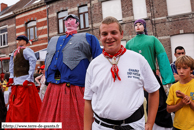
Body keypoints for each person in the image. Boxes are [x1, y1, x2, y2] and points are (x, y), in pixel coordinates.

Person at [84, 16, 160, 130]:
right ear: (100, 37)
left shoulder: (138, 59)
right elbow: (88, 101)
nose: (109, 37)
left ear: (121, 34)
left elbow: (154, 90)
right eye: (104, 34)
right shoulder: (93, 65)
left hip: (133, 126)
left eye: (114, 32)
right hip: (101, 127)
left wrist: (150, 123)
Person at [37, 14, 102, 130]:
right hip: (53, 88)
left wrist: (97, 86)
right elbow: (48, 59)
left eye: (71, 20)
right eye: (66, 20)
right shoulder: (53, 40)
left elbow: (99, 61)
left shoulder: (88, 37)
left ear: (77, 23)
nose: (68, 22)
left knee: (75, 123)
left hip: (75, 88)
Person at [125, 19, 175, 130]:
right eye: (135, 25)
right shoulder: (129, 43)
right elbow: (125, 61)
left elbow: (162, 56)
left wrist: (166, 77)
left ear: (144, 26)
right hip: (136, 78)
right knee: (137, 104)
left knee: (159, 103)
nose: (137, 27)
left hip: (151, 76)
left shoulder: (152, 39)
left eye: (140, 24)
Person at [6, 35, 41, 123]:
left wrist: (29, 78)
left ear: (25, 42)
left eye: (21, 40)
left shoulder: (27, 50)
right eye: (18, 40)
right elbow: (12, 66)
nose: (19, 42)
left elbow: (33, 62)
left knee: (25, 106)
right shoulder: (14, 52)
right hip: (17, 83)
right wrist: (11, 78)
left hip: (25, 82)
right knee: (15, 105)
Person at [166, 55, 194, 130]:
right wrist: (181, 104)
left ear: (191, 70)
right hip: (177, 126)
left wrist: (186, 99)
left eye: (185, 68)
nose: (181, 71)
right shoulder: (173, 87)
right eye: (178, 68)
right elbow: (168, 109)